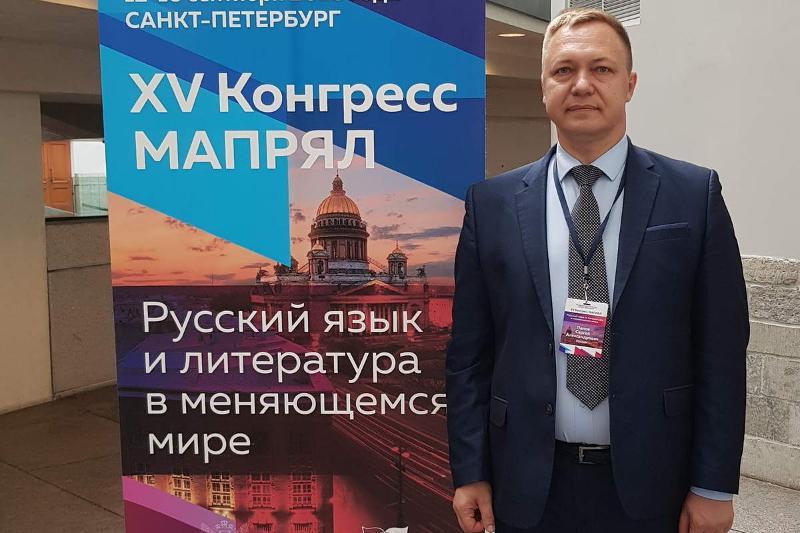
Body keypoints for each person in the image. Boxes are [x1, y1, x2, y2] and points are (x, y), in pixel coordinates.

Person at [445, 8, 748, 533]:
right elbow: (469, 355)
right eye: (563, 70)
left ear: (630, 84)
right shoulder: (490, 205)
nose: (582, 84)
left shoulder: (693, 195)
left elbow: (721, 352)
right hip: (526, 484)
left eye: (601, 69)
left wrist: (714, 486)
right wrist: (470, 473)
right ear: (543, 88)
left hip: (655, 482)